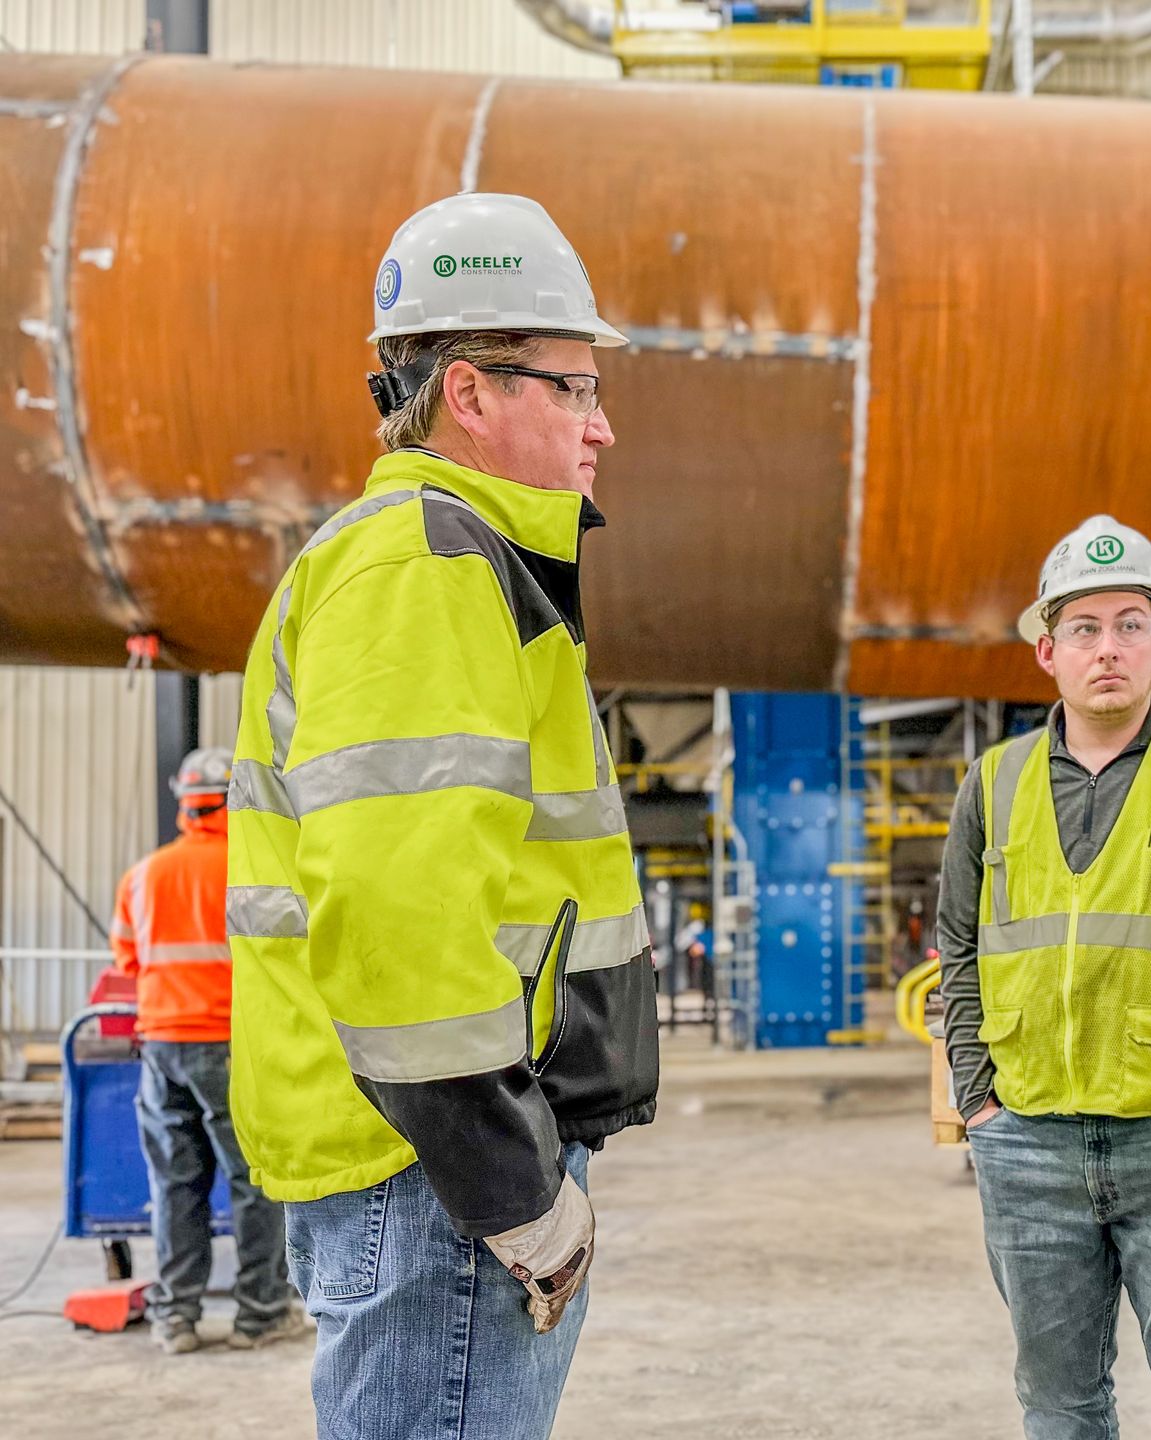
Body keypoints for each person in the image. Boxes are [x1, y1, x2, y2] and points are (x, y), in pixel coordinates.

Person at [226, 193, 658, 1440]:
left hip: (421, 1168)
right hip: (435, 1180)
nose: (602, 424)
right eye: (574, 388)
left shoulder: (446, 560)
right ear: (469, 392)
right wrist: (512, 1189)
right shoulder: (428, 563)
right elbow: (399, 910)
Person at [938, 515, 1151, 1440]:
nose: (1109, 648)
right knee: (1057, 1403)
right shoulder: (992, 782)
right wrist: (981, 1104)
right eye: (1084, 629)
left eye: (1130, 624)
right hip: (1027, 1140)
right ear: (1047, 650)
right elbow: (959, 949)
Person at [111, 747, 298, 1354]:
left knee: (175, 1184)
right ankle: (260, 1314)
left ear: (184, 801)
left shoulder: (143, 875)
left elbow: (128, 961)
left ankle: (177, 1319)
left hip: (161, 1044)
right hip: (229, 1043)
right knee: (252, 1181)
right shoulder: (250, 867)